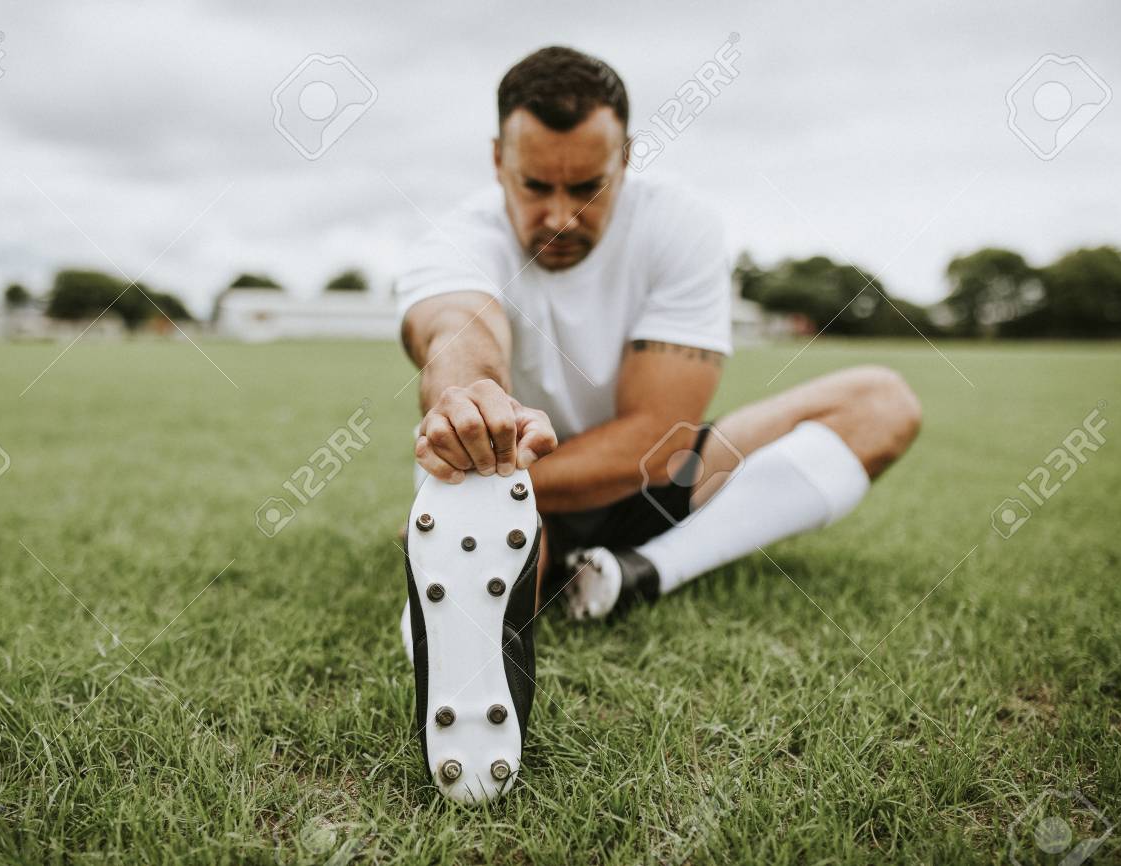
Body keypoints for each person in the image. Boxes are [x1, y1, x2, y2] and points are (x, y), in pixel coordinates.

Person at [394, 46, 922, 803]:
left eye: (588, 186)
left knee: (881, 401)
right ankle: (477, 586)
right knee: (480, 525)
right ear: (497, 160)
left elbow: (653, 436)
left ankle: (640, 572)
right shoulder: (453, 238)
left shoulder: (681, 224)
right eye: (535, 185)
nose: (559, 215)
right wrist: (472, 402)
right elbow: (459, 329)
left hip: (647, 479)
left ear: (628, 157)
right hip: (518, 492)